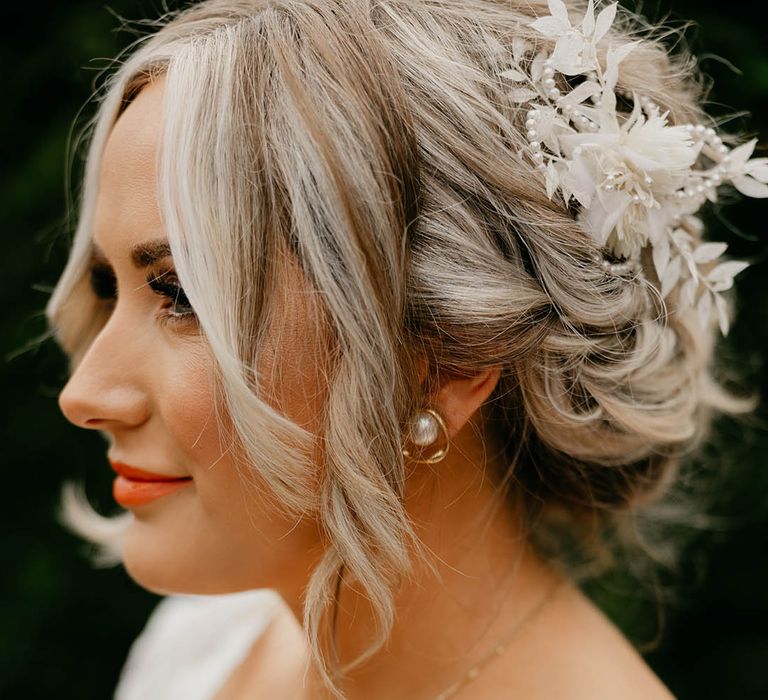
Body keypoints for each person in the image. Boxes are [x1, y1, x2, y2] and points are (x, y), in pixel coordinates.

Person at [48, 0, 766, 698]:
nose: (83, 395)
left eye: (181, 294)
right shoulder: (211, 641)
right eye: (111, 287)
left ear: (445, 360)